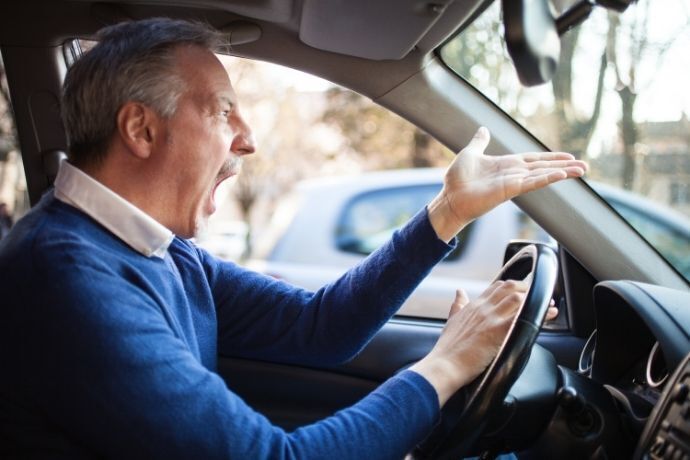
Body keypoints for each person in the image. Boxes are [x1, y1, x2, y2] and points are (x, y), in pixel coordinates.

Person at [0, 18, 587, 459]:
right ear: (141, 128)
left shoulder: (159, 251)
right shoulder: (64, 277)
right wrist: (448, 363)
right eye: (223, 110)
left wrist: (447, 211)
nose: (247, 138)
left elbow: (320, 327)